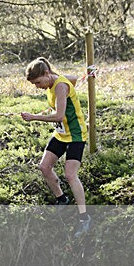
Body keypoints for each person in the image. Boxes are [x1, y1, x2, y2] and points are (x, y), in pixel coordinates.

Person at [21, 56, 91, 237]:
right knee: (44, 167)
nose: (37, 87)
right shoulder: (55, 80)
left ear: (46, 73)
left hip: (75, 134)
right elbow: (74, 78)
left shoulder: (59, 86)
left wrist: (34, 117)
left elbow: (59, 116)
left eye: (38, 82)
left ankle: (84, 218)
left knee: (70, 174)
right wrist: (84, 76)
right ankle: (62, 199)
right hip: (61, 134)